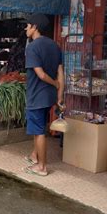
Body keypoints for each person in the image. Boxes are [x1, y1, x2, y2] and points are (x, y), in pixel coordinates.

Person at [23, 14, 64, 177]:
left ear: (35, 27)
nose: (26, 29)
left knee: (38, 130)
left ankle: (42, 167)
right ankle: (34, 156)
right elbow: (60, 72)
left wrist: (54, 83)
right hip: (49, 97)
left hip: (37, 95)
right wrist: (59, 95)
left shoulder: (32, 47)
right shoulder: (55, 46)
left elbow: (40, 74)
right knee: (39, 127)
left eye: (27, 25)